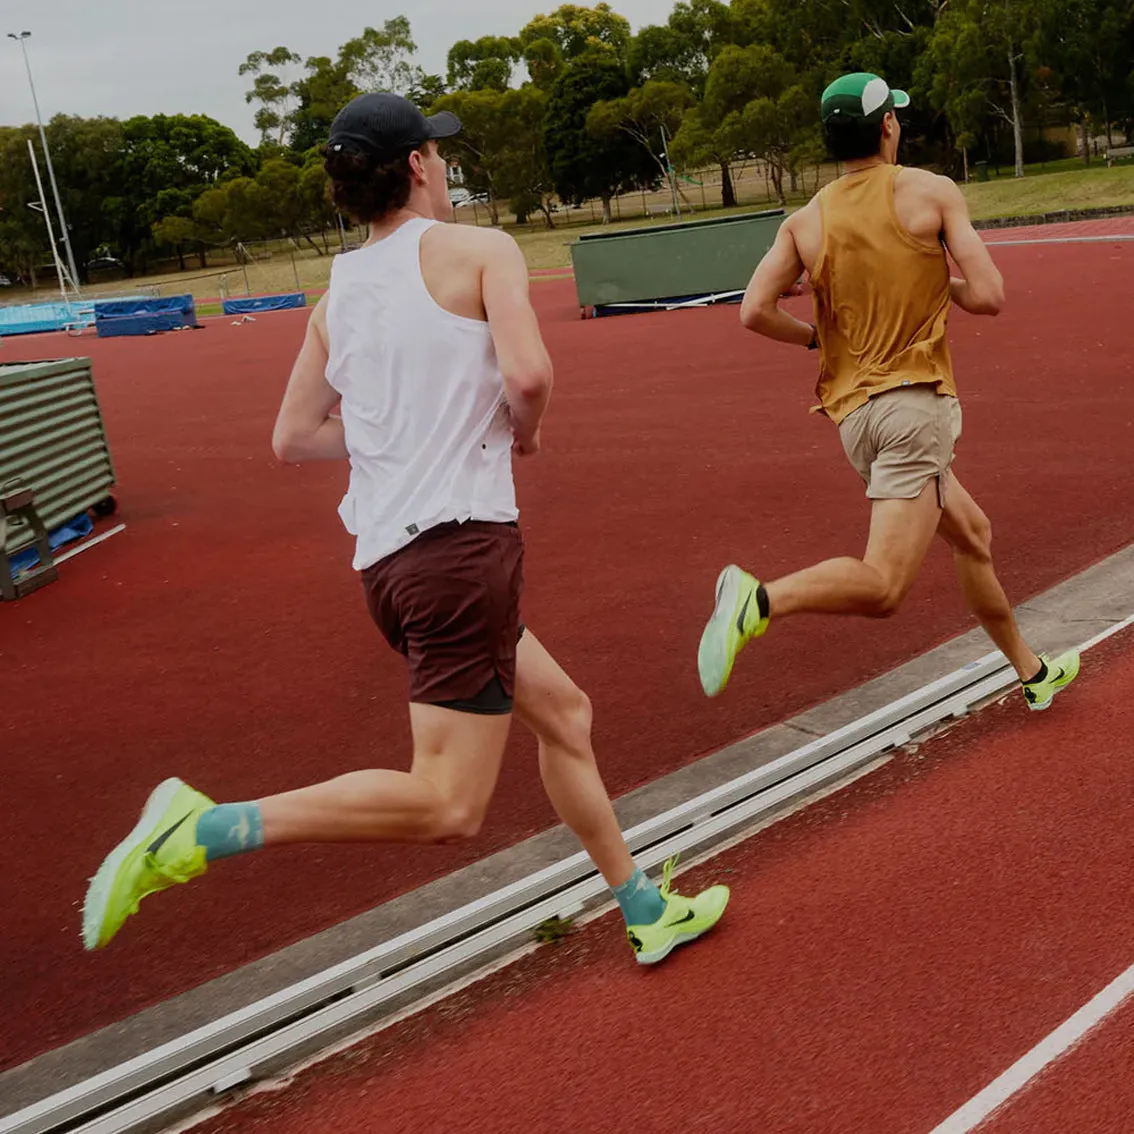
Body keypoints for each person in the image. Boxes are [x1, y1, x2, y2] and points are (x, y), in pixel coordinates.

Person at [83, 94, 728, 966]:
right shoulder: (481, 250)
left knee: (565, 715)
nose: (449, 167)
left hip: (392, 568)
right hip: (461, 554)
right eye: (441, 154)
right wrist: (523, 430)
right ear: (419, 166)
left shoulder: (336, 294)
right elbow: (529, 375)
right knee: (448, 805)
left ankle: (643, 906)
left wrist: (400, 425)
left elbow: (293, 438)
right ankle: (202, 828)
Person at [697, 73, 1079, 713]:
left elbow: (753, 311)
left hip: (856, 421)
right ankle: (756, 600)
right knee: (883, 587)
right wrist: (939, 282)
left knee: (972, 535)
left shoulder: (805, 221)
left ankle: (1032, 671)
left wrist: (816, 340)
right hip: (914, 408)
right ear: (888, 127)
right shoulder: (930, 192)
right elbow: (989, 296)